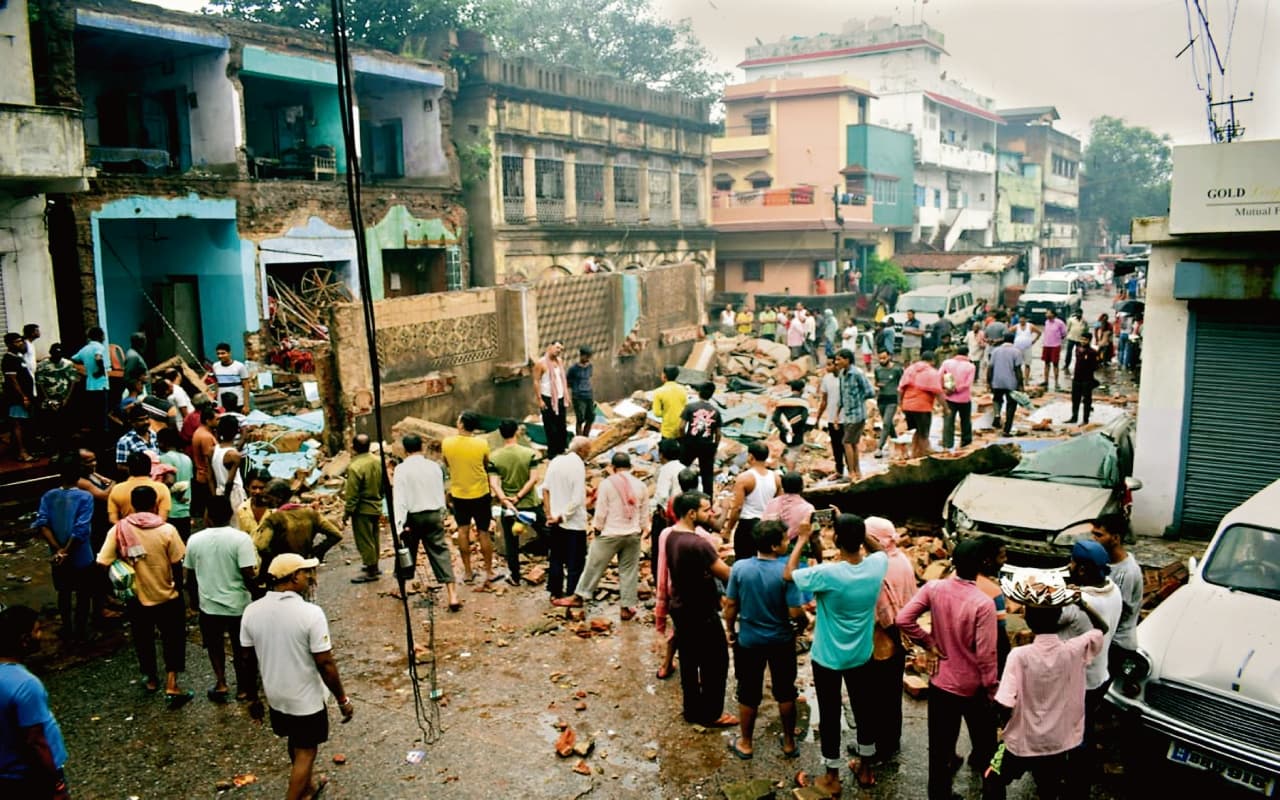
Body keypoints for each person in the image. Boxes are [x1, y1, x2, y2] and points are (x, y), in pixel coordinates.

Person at [786, 513, 888, 794]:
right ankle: (866, 768)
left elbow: (788, 574)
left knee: (830, 714)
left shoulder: (827, 574)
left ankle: (832, 775)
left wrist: (803, 539)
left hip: (827, 658)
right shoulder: (876, 566)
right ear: (862, 540)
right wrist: (855, 526)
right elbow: (879, 550)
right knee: (864, 710)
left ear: (836, 539)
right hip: (861, 654)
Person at [241, 553, 354, 800]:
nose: (310, 577)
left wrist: (252, 698)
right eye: (305, 573)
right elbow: (325, 663)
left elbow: (246, 661)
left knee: (295, 740)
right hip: (306, 698)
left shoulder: (251, 611)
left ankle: (308, 788)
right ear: (293, 577)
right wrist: (343, 699)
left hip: (275, 696)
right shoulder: (310, 613)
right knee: (306, 751)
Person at [898, 538, 999, 800]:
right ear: (983, 564)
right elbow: (987, 655)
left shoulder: (934, 588)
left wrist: (929, 642)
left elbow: (903, 619)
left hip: (941, 680)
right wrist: (993, 691)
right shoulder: (983, 604)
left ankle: (939, 794)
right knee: (987, 748)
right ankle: (991, 794)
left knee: (941, 747)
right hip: (974, 687)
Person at [982, 603, 1107, 800]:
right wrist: (1083, 604)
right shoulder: (1073, 650)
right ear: (1059, 619)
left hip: (1022, 741)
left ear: (1028, 621)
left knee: (992, 777)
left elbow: (1004, 703)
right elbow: (1102, 630)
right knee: (1048, 788)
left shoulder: (1019, 656)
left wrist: (1003, 728)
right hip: (1057, 742)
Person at [96, 484, 192, 707]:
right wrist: (178, 588)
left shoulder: (119, 529)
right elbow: (177, 563)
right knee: (173, 638)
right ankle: (172, 681)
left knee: (143, 638)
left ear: (132, 504)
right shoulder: (166, 530)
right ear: (155, 504)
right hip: (167, 594)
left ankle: (150, 678)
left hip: (136, 597)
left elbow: (102, 562)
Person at [724, 520, 804, 760]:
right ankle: (789, 742)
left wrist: (730, 630)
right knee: (785, 691)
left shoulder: (740, 568)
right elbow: (795, 612)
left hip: (749, 640)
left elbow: (730, 605)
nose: (787, 542)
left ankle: (746, 743)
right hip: (781, 640)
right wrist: (802, 626)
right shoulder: (786, 572)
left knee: (748, 691)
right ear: (774, 545)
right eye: (784, 539)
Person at [664, 491, 736, 728]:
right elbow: (726, 574)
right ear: (692, 513)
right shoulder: (698, 543)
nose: (711, 513)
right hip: (701, 611)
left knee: (689, 660)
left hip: (681, 607)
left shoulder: (672, 536)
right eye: (706, 510)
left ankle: (692, 709)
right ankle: (712, 713)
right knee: (716, 662)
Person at [1056, 539, 1123, 791]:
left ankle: (1075, 783)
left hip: (1076, 680)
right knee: (1085, 726)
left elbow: (1045, 621)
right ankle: (1081, 776)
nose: (1069, 566)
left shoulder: (1077, 603)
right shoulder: (1113, 589)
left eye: (1073, 562)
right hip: (1100, 674)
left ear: (1082, 570)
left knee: (1073, 734)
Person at [554, 452, 648, 619]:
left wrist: (597, 528)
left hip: (610, 533)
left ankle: (580, 596)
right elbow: (643, 513)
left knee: (593, 565)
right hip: (632, 534)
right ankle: (627, 607)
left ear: (612, 467)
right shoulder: (641, 485)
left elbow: (601, 511)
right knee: (629, 571)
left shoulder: (607, 484)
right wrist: (641, 529)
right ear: (631, 467)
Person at [184, 495, 258, 704]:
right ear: (230, 514)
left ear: (207, 516)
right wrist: (258, 596)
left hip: (209, 605)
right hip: (238, 604)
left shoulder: (194, 540)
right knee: (241, 647)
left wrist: (193, 603)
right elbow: (247, 572)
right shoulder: (241, 539)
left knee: (215, 646)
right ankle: (243, 688)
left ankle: (221, 682)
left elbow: (189, 577)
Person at [0, 606, 70, 799]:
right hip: (31, 777)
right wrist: (56, 784)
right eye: (36, 630)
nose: (41, 635)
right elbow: (36, 742)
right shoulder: (25, 684)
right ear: (24, 640)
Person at [864, 516, 916, 761]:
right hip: (904, 634)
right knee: (892, 694)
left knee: (876, 696)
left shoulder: (878, 569)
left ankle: (880, 747)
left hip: (884, 640)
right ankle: (891, 740)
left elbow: (884, 615)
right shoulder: (902, 558)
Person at [394, 434, 460, 608]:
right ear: (421, 448)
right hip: (433, 514)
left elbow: (399, 499)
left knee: (406, 551)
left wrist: (398, 524)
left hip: (412, 517)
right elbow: (440, 492)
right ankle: (452, 595)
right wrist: (442, 513)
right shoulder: (434, 467)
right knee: (441, 551)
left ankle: (403, 588)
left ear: (405, 450)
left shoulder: (401, 469)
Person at [36, 455, 96, 642]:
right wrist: (67, 550)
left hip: (57, 555)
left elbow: (42, 523)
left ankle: (67, 628)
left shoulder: (49, 496)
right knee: (84, 594)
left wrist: (58, 549)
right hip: (81, 555)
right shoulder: (85, 497)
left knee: (63, 592)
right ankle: (81, 629)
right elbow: (81, 528)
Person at [441, 411, 498, 585]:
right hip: (480, 493)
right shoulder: (482, 444)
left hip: (459, 494)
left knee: (463, 531)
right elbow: (486, 463)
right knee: (483, 532)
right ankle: (489, 571)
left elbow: (447, 463)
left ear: (461, 424)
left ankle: (467, 572)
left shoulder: (447, 443)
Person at [1091, 513, 1143, 684]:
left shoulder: (1127, 572)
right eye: (1093, 534)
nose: (1093, 539)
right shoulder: (1104, 561)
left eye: (1099, 535)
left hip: (1116, 643)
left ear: (1115, 538)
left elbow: (1116, 612)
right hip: (1105, 638)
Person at [491, 420, 542, 588]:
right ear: (517, 432)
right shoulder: (529, 453)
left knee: (511, 543)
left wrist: (506, 500)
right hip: (530, 503)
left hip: (509, 509)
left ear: (501, 433)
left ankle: (515, 576)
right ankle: (561, 563)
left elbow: (494, 484)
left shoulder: (494, 457)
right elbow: (534, 478)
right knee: (546, 532)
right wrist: (519, 496)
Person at [254, 479, 343, 568]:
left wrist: (275, 559)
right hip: (306, 565)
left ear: (279, 498)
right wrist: (317, 552)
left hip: (284, 568)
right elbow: (336, 535)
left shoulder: (274, 519)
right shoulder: (311, 513)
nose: (265, 500)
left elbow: (261, 546)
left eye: (268, 497)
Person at [542, 435, 590, 601]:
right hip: (573, 522)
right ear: (582, 450)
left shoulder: (556, 461)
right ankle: (571, 594)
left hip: (555, 519)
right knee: (575, 561)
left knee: (556, 557)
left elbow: (545, 489)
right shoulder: (578, 466)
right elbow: (576, 499)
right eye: (588, 449)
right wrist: (563, 517)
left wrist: (549, 514)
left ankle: (555, 591)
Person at [725, 441, 780, 563]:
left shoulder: (744, 478)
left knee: (744, 562)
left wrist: (729, 529)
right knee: (765, 561)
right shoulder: (776, 478)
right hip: (767, 525)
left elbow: (737, 508)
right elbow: (778, 505)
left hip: (747, 525)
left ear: (750, 457)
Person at [344, 434, 385, 583]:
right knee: (374, 537)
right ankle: (374, 564)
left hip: (362, 508)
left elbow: (352, 493)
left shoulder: (355, 466)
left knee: (364, 540)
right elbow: (384, 484)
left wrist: (347, 512)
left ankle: (371, 571)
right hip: (376, 504)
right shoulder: (379, 461)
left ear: (354, 448)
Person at [974, 536, 1012, 676]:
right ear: (988, 561)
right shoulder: (993, 592)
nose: (1005, 560)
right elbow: (1000, 634)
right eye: (1002, 557)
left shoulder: (954, 578)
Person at [835, 349, 874, 480]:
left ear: (847, 360)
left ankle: (851, 471)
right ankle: (857, 471)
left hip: (857, 414)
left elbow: (870, 391)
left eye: (839, 359)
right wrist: (837, 414)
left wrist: (858, 399)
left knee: (846, 442)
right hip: (847, 415)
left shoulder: (857, 373)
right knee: (853, 444)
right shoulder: (842, 374)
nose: (837, 362)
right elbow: (841, 396)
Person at [678, 381, 721, 495]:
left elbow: (681, 426)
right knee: (707, 476)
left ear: (699, 393)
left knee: (681, 470)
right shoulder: (715, 411)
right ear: (711, 395)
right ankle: (708, 502)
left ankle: (679, 494)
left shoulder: (690, 407)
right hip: (707, 446)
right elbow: (718, 433)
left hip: (690, 443)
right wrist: (714, 447)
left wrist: (683, 440)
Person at [650, 437, 684, 576]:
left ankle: (660, 580)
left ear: (662, 454)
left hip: (666, 516)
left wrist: (651, 510)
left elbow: (662, 495)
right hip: (681, 515)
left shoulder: (665, 470)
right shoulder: (683, 468)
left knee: (659, 551)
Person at [899, 350, 942, 459]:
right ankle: (923, 456)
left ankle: (914, 454)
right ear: (932, 360)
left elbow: (900, 389)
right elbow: (938, 392)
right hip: (922, 407)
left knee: (917, 431)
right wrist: (946, 408)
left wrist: (901, 404)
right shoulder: (932, 372)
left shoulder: (909, 369)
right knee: (924, 434)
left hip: (907, 405)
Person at [107, 451, 172, 523]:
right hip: (155, 532)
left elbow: (113, 519)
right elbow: (162, 519)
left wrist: (128, 529)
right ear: (150, 468)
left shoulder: (117, 489)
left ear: (128, 469)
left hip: (126, 532)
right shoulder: (162, 488)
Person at [71, 327, 110, 441]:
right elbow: (98, 357)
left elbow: (74, 358)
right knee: (102, 415)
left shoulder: (85, 349)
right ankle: (103, 439)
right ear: (100, 336)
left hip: (89, 386)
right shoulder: (99, 347)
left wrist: (86, 369)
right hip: (101, 385)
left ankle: (94, 438)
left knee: (93, 415)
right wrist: (100, 370)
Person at [532, 341, 570, 458]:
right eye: (557, 347)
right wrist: (540, 400)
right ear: (550, 347)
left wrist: (566, 395)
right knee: (550, 427)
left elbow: (562, 380)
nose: (558, 350)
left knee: (562, 426)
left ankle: (562, 450)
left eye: (561, 349)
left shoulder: (559, 362)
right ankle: (552, 454)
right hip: (547, 398)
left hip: (560, 398)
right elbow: (536, 381)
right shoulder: (541, 363)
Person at [156, 428, 194, 542]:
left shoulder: (164, 458)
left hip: (170, 511)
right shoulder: (187, 459)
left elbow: (169, 481)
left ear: (163, 442)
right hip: (185, 510)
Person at [3, 333, 35, 461]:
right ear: (9, 344)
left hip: (26, 395)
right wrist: (23, 397)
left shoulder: (19, 357)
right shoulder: (8, 359)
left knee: (24, 424)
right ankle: (22, 452)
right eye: (17, 342)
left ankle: (23, 449)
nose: (20, 343)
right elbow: (13, 380)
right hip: (16, 398)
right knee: (17, 424)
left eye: (21, 341)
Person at [939, 346, 976, 450]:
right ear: (967, 354)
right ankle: (966, 443)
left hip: (949, 397)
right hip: (964, 399)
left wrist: (946, 389)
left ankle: (947, 444)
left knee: (948, 421)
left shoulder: (947, 363)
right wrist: (957, 389)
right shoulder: (971, 366)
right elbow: (968, 384)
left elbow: (939, 376)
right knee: (965, 421)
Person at [987, 333, 1024, 435]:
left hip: (997, 381)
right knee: (1011, 404)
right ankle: (1007, 429)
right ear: (1013, 340)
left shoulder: (995, 351)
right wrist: (1021, 384)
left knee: (997, 399)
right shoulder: (1016, 352)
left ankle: (997, 415)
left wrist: (989, 381)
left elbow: (990, 368)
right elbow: (1017, 369)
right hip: (1011, 382)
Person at [815, 359, 845, 476]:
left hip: (845, 418)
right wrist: (818, 417)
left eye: (829, 364)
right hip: (832, 418)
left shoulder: (844, 378)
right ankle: (839, 471)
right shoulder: (827, 379)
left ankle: (852, 470)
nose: (827, 367)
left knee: (846, 445)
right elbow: (824, 400)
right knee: (836, 446)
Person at [771, 379, 810, 468]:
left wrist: (784, 429)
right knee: (792, 458)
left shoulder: (782, 401)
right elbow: (803, 419)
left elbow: (775, 418)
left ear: (791, 388)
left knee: (783, 458)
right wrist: (793, 429)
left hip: (783, 435)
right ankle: (790, 476)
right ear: (802, 389)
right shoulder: (804, 403)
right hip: (797, 436)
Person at [190, 404, 218, 521]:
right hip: (206, 476)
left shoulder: (200, 432)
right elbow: (209, 461)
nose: (218, 421)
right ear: (208, 420)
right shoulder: (205, 437)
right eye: (216, 419)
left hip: (202, 474)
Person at [212, 414, 246, 512]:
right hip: (233, 494)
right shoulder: (234, 455)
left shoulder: (213, 450)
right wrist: (226, 500)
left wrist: (215, 495)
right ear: (237, 431)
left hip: (219, 491)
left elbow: (210, 477)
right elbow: (230, 482)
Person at [872, 349, 903, 458]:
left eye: (884, 358)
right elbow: (875, 382)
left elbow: (901, 384)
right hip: (881, 399)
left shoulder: (897, 369)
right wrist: (877, 386)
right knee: (888, 423)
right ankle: (896, 441)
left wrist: (900, 401)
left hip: (892, 399)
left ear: (889, 357)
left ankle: (879, 448)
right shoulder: (878, 369)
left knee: (885, 423)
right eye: (880, 358)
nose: (882, 360)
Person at [652, 365, 687, 445]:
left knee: (667, 453)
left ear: (664, 376)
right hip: (680, 428)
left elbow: (657, 413)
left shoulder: (658, 392)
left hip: (667, 430)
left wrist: (666, 412)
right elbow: (685, 407)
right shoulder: (683, 389)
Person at [212, 343, 251, 414]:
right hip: (222, 404)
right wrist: (216, 396)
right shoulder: (215, 366)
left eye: (223, 353)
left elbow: (246, 386)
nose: (220, 356)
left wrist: (246, 405)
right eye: (218, 354)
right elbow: (217, 382)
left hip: (238, 402)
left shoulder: (239, 366)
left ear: (229, 353)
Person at [1067, 340, 1100, 424]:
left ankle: (1085, 420)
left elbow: (1096, 366)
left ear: (1089, 340)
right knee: (1075, 399)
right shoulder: (1077, 349)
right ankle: (1074, 417)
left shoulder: (1092, 352)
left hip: (1087, 379)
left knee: (1087, 400)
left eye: (1085, 340)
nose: (1083, 341)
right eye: (1082, 339)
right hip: (1076, 378)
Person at [566, 346, 595, 437]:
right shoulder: (574, 369)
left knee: (590, 417)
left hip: (588, 395)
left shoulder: (590, 366)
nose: (587, 359)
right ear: (581, 356)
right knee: (580, 418)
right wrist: (576, 388)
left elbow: (589, 378)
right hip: (578, 396)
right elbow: (568, 382)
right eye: (586, 356)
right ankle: (579, 438)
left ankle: (585, 437)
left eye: (589, 357)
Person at [1039, 309, 1068, 390]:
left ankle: (1056, 382)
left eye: (1048, 313)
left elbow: (1064, 333)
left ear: (1053, 314)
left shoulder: (1060, 323)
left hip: (1055, 346)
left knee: (1055, 364)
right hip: (1046, 345)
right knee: (1046, 364)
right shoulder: (1046, 322)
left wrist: (1058, 340)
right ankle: (1046, 381)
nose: (1046, 314)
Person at [1011, 317, 1039, 384]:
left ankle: (1026, 380)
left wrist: (1034, 340)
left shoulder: (1030, 326)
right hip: (1017, 348)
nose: (1022, 321)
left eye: (1023, 319)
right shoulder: (1016, 326)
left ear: (1026, 320)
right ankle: (1018, 379)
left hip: (1027, 347)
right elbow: (1008, 331)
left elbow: (1039, 332)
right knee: (1017, 364)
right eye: (1020, 320)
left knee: (1027, 364)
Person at [1063, 309, 1089, 375]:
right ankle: (1066, 365)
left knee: (1079, 353)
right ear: (1075, 313)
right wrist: (1065, 336)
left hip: (1079, 340)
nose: (1078, 315)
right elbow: (1068, 329)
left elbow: (1086, 330)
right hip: (1071, 338)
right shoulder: (1071, 320)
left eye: (1080, 313)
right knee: (1069, 353)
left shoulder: (1084, 321)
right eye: (1077, 313)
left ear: (1082, 314)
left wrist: (1085, 340)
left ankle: (1079, 365)